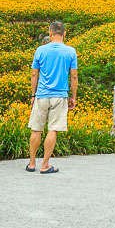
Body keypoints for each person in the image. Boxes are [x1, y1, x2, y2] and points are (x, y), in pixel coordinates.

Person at [26, 21, 78, 173]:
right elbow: (73, 76)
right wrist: (73, 97)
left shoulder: (40, 50)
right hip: (60, 96)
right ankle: (45, 165)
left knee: (36, 129)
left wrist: (33, 94)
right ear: (64, 34)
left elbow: (34, 73)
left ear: (50, 33)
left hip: (41, 95)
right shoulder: (70, 51)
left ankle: (31, 163)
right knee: (53, 129)